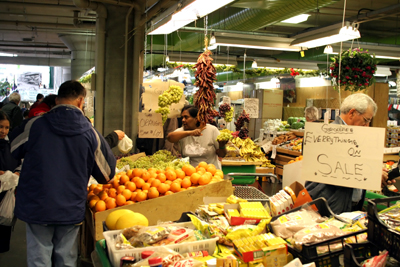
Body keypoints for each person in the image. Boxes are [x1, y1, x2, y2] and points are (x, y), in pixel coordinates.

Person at [9, 80, 116, 267]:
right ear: (81, 101)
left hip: (36, 205)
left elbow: (10, 152)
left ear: (57, 100)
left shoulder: (34, 125)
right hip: (69, 206)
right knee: (66, 259)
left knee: (38, 258)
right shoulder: (90, 133)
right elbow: (107, 174)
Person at [305, 93, 395, 214]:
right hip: (330, 207)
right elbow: (341, 171)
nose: (367, 126)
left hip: (348, 206)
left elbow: (356, 167)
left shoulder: (357, 137)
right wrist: (371, 174)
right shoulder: (328, 135)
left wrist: (375, 173)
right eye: (366, 120)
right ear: (352, 113)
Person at [167, 105, 227, 169]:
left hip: (211, 172)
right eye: (182, 117)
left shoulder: (212, 130)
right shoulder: (182, 131)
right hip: (190, 173)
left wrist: (222, 146)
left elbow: (222, 155)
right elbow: (170, 137)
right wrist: (190, 133)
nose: (183, 120)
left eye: (186, 117)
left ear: (196, 118)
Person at [0, 111, 21, 253]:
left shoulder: (10, 144)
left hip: (6, 192)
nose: (3, 131)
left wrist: (17, 172)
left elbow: (18, 161)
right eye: (1, 127)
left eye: (6, 127)